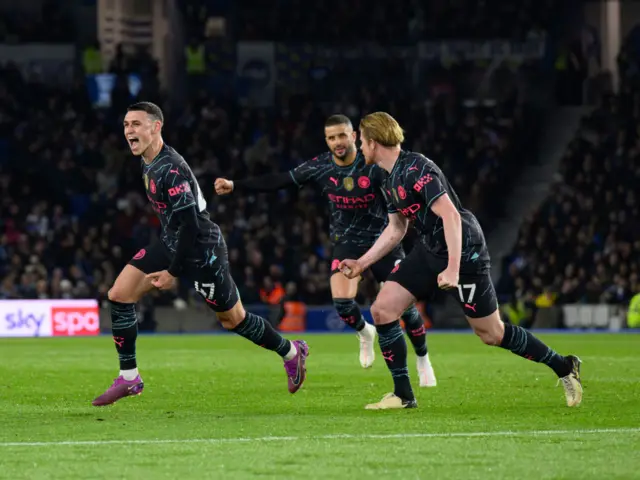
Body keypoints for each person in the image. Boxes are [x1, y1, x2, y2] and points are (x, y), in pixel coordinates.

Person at [340, 112, 582, 410]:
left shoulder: (418, 168)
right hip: (430, 248)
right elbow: (396, 228)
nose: (359, 147)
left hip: (464, 250)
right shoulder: (385, 176)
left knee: (492, 334)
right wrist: (362, 264)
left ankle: (564, 366)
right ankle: (403, 396)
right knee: (383, 309)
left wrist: (453, 267)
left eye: (361, 141)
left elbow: (451, 216)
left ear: (374, 142)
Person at [92, 102, 309, 406]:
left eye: (136, 124)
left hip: (201, 249)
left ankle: (291, 351)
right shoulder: (148, 161)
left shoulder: (170, 168)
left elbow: (192, 224)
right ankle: (129, 378)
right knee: (119, 294)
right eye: (126, 125)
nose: (129, 130)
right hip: (172, 240)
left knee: (234, 320)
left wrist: (173, 272)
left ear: (156, 127)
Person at [215, 114, 436, 387]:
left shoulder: (373, 165)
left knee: (406, 308)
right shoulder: (320, 167)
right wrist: (236, 185)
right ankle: (364, 331)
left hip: (383, 243)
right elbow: (281, 180)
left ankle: (423, 358)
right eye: (331, 138)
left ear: (354, 136)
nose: (337, 142)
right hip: (346, 242)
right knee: (343, 304)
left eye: (342, 136)